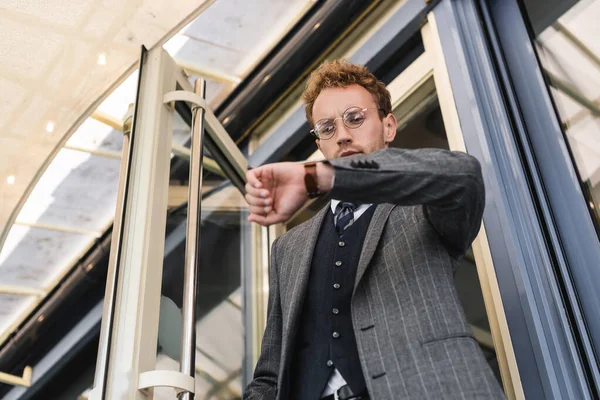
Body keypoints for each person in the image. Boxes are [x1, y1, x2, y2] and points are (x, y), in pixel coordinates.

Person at [242, 60, 505, 400]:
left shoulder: (424, 206)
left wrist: (319, 177)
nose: (343, 135)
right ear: (320, 144)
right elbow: (270, 375)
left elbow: (463, 176)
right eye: (326, 128)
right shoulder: (288, 248)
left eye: (355, 117)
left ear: (389, 126)